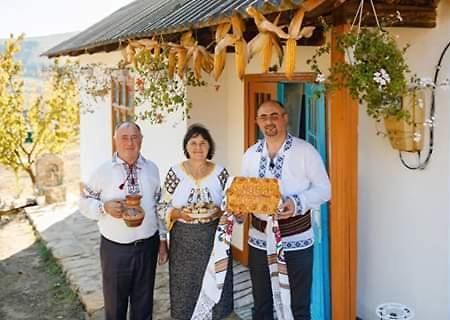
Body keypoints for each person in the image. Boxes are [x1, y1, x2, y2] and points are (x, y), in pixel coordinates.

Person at [236, 100, 331, 320]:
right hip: (259, 238)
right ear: (257, 122)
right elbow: (244, 195)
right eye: (263, 117)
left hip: (295, 238)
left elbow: (325, 190)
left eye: (274, 115)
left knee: (298, 304)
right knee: (261, 302)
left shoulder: (305, 151)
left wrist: (296, 202)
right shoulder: (250, 155)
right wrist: (240, 212)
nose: (269, 121)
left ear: (285, 117)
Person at [79, 122, 168, 320]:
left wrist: (162, 239)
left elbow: (158, 206)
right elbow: (84, 202)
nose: (130, 142)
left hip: (147, 246)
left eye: (134, 137)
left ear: (141, 140)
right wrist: (104, 208)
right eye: (124, 137)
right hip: (115, 250)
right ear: (115, 141)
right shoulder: (103, 171)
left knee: (144, 306)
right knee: (115, 306)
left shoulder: (152, 169)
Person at [158, 124, 233, 320]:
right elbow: (160, 206)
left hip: (214, 238)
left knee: (216, 285)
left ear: (209, 147)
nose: (198, 147)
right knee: (186, 289)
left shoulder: (221, 173)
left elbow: (231, 203)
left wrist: (222, 211)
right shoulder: (175, 173)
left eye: (203, 143)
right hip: (184, 241)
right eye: (193, 143)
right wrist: (176, 213)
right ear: (186, 146)